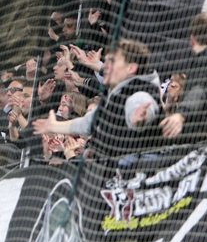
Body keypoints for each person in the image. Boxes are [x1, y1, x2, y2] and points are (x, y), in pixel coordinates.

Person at [34, 39, 170, 156]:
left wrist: (140, 116)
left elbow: (141, 104)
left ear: (131, 68)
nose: (104, 65)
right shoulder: (115, 94)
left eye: (111, 61)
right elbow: (87, 123)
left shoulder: (140, 92)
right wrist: (54, 125)